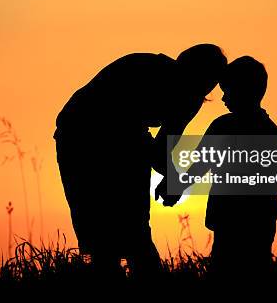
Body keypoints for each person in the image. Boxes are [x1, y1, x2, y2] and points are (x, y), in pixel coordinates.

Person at [54, 44, 227, 278]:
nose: (202, 88)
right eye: (202, 79)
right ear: (184, 66)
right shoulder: (143, 66)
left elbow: (162, 147)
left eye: (209, 83)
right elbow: (137, 140)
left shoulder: (191, 98)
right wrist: (172, 178)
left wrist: (173, 179)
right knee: (95, 223)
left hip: (129, 138)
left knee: (135, 227)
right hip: (80, 135)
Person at [158, 56, 277, 273]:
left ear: (243, 91)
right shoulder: (271, 132)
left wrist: (176, 187)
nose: (224, 98)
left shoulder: (224, 126)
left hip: (234, 217)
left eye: (228, 91)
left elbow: (200, 165)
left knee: (225, 270)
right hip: (257, 219)